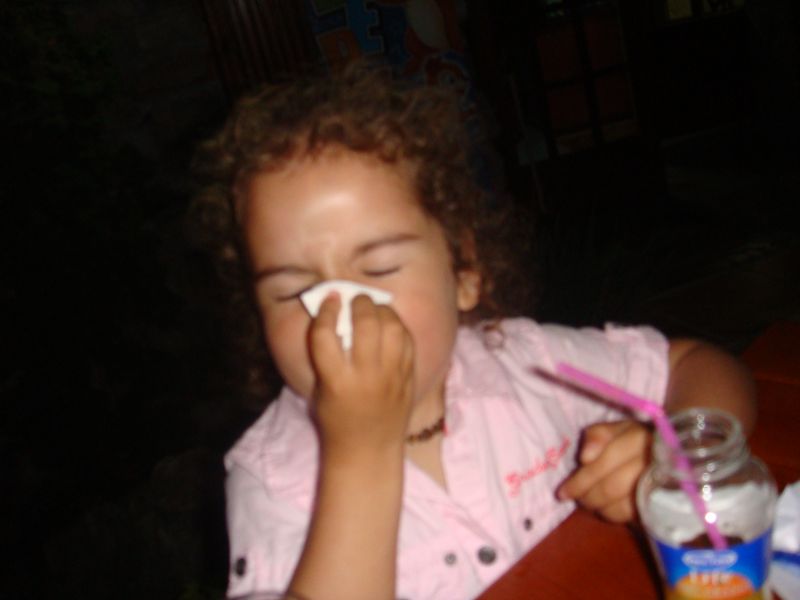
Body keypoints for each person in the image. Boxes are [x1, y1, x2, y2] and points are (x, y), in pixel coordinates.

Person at [192, 63, 757, 600]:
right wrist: (361, 453)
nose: (340, 318)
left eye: (379, 269)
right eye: (294, 291)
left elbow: (699, 366)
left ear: (462, 272)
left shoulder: (527, 365)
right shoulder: (271, 482)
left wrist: (678, 461)